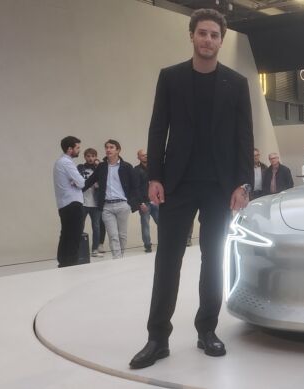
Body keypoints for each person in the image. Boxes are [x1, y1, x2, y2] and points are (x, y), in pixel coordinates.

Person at [130, 9, 254, 369]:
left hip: (219, 186)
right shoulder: (171, 77)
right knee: (167, 261)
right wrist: (154, 176)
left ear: (221, 40)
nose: (208, 40)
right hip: (177, 184)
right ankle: (157, 338)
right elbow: (158, 128)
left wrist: (243, 183)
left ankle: (207, 330)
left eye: (214, 35)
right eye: (202, 33)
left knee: (213, 261)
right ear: (191, 35)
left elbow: (244, 137)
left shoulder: (236, 83)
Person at [84, 140, 140, 259]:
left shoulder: (126, 166)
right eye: (106, 147)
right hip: (107, 207)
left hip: (122, 205)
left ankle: (120, 257)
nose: (108, 149)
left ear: (118, 150)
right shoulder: (102, 167)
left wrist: (131, 203)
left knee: (122, 235)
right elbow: (90, 181)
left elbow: (135, 186)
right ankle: (117, 259)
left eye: (111, 147)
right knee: (113, 235)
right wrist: (76, 188)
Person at [53, 136, 85, 268]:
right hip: (73, 203)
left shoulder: (59, 162)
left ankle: (63, 261)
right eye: (77, 147)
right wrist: (76, 181)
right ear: (69, 149)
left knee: (66, 233)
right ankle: (71, 263)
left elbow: (77, 182)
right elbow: (81, 183)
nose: (79, 150)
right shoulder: (67, 163)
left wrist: (75, 181)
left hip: (64, 204)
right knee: (74, 235)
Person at [78, 148, 103, 257]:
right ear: (85, 157)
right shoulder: (80, 168)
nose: (90, 158)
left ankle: (95, 249)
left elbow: (105, 183)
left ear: (96, 157)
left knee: (96, 227)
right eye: (88, 156)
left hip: (95, 203)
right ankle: (79, 249)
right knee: (80, 226)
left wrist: (99, 184)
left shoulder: (99, 169)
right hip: (82, 202)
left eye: (93, 156)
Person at [135, 149, 158, 253]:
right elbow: (136, 188)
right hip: (145, 202)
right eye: (143, 155)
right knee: (145, 225)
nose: (145, 156)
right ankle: (147, 245)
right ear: (138, 157)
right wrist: (141, 203)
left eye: (147, 155)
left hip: (155, 201)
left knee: (162, 223)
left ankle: (164, 242)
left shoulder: (154, 168)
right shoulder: (136, 170)